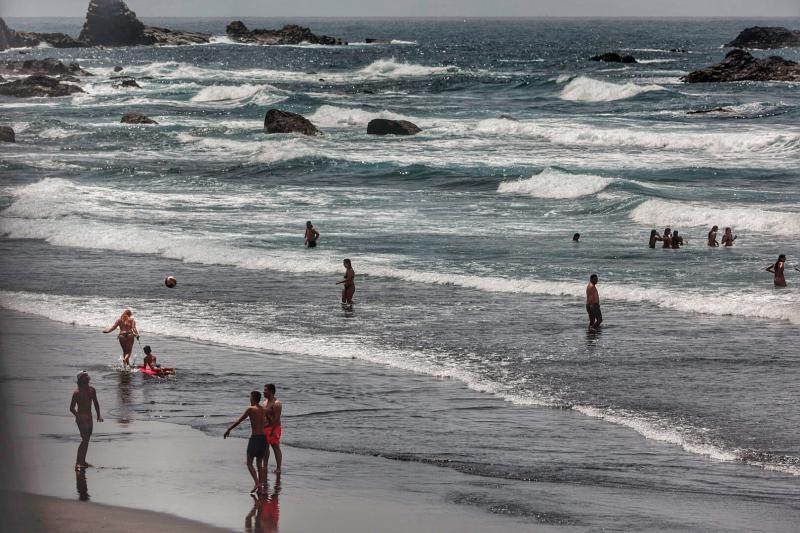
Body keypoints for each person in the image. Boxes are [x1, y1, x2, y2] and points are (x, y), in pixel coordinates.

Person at [224, 391, 268, 493]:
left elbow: (239, 420)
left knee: (249, 463)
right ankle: (260, 485)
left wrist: (228, 429)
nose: (249, 399)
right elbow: (269, 421)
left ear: (253, 399)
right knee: (259, 463)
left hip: (255, 438)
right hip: (263, 439)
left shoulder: (250, 409)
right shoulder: (263, 409)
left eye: (251, 397)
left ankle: (257, 482)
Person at [69, 371, 103, 471]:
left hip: (89, 417)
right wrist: (78, 416)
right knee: (84, 440)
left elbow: (96, 403)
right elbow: (71, 408)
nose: (88, 377)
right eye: (85, 376)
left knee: (87, 440)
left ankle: (82, 461)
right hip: (81, 418)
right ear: (81, 379)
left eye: (87, 375)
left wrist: (98, 414)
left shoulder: (92, 390)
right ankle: (78, 463)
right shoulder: (77, 393)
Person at [262, 384, 283, 475]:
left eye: (265, 390)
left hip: (274, 428)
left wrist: (273, 431)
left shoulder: (277, 403)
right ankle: (265, 467)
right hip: (265, 427)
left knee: (275, 447)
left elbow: (277, 419)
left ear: (271, 391)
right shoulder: (264, 402)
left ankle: (278, 468)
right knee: (265, 448)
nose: (263, 391)